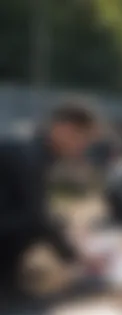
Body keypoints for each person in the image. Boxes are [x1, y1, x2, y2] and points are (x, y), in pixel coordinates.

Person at [0, 101, 100, 295]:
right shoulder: (30, 156)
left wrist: (69, 232)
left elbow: (39, 208)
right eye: (82, 137)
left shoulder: (30, 148)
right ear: (62, 129)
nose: (83, 146)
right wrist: (77, 257)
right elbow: (38, 217)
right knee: (33, 223)